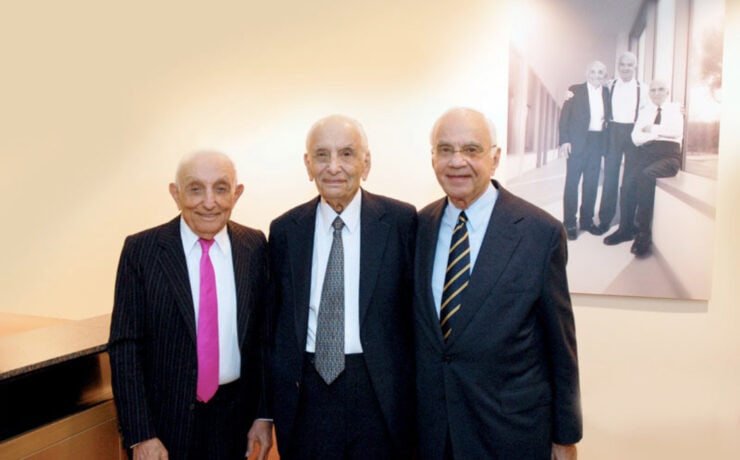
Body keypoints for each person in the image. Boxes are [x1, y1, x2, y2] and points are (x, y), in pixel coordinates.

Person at [414, 108, 582, 459]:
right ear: (432, 159)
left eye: (471, 149)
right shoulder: (419, 226)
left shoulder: (540, 233)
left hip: (509, 432)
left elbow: (560, 344)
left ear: (495, 157)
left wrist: (565, 437)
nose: (457, 161)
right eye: (445, 149)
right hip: (433, 433)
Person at [268, 114, 417, 459]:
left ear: (367, 163)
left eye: (347, 154)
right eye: (322, 155)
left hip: (379, 392)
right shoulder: (285, 230)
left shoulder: (401, 222)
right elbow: (273, 325)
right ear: (308, 165)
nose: (333, 167)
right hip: (307, 393)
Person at [108, 151, 273, 460]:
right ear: (176, 193)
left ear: (237, 194)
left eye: (221, 188)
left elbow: (264, 339)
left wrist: (263, 414)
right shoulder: (141, 251)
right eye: (196, 189)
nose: (209, 202)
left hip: (234, 422)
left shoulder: (254, 246)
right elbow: (125, 347)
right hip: (163, 427)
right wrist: (141, 433)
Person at [625, 79, 683, 257]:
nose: (657, 93)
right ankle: (627, 228)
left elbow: (676, 131)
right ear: (649, 93)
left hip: (670, 156)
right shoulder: (645, 112)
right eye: (653, 90)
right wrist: (658, 133)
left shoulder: (675, 109)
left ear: (667, 92)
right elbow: (635, 138)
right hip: (648, 153)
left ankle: (643, 235)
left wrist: (651, 129)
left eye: (661, 89)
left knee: (646, 175)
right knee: (628, 183)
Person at [559, 60, 610, 240]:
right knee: (572, 183)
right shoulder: (574, 90)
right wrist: (564, 140)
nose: (596, 75)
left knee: (591, 183)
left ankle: (587, 221)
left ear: (605, 76)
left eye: (600, 72)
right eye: (593, 71)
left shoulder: (607, 92)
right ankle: (570, 223)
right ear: (587, 73)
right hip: (577, 142)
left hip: (597, 142)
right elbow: (564, 117)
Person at [601, 51, 648, 238]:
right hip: (613, 132)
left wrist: (676, 109)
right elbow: (591, 91)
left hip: (633, 132)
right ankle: (605, 220)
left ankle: (627, 224)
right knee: (609, 178)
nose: (626, 68)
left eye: (629, 64)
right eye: (622, 64)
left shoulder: (643, 88)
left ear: (635, 66)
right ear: (618, 66)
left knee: (629, 180)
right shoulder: (610, 85)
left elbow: (656, 105)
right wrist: (570, 93)